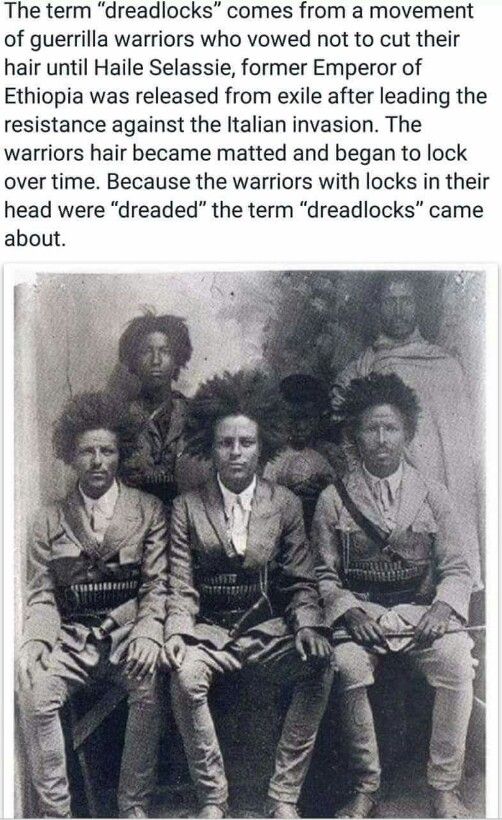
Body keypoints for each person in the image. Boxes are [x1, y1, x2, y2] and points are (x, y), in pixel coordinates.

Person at [161, 370, 334, 819]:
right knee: (185, 677)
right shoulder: (185, 507)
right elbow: (180, 585)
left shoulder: (285, 504)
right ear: (210, 446)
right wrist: (179, 632)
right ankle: (213, 799)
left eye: (246, 443)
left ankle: (283, 797)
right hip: (208, 635)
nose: (236, 453)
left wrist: (309, 625)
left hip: (265, 631)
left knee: (322, 665)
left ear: (262, 446)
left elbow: (300, 580)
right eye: (226, 443)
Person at [312, 373, 475, 819]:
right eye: (371, 429)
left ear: (407, 434)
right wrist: (347, 612)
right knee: (345, 666)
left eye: (391, 429)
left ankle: (444, 788)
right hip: (362, 618)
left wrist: (443, 607)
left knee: (458, 658)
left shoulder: (434, 495)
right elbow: (323, 575)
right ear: (355, 436)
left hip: (421, 615)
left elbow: (458, 567)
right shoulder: (333, 499)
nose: (381, 440)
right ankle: (366, 789)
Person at [17, 392, 168, 818]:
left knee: (150, 681)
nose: (98, 461)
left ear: (121, 455)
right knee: (35, 688)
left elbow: (157, 587)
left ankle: (132, 807)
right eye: (87, 452)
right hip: (73, 638)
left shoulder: (149, 511)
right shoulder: (48, 519)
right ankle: (55, 811)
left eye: (107, 451)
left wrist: (147, 633)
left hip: (126, 637)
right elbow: (42, 592)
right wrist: (36, 640)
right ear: (71, 456)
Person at [330, 273, 481, 588]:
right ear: (377, 308)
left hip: (451, 482)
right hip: (392, 485)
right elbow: (348, 437)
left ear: (417, 306)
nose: (398, 310)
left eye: (406, 301)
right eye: (390, 301)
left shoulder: (447, 365)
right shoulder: (362, 368)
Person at [115, 311, 207, 504]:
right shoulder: (118, 418)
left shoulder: (198, 416)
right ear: (133, 360)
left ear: (177, 359)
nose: (156, 360)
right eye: (146, 351)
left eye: (165, 351)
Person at [263, 374, 337, 534]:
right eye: (292, 419)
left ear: (319, 416)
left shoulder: (330, 455)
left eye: (308, 418)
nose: (301, 426)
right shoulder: (273, 457)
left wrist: (327, 490)